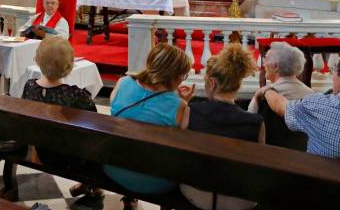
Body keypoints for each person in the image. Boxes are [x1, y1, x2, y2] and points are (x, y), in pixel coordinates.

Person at [257, 49, 340, 169]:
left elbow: (281, 106)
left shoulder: (318, 106)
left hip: (323, 194)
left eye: (334, 71)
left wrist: (268, 90)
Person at [104, 43, 194, 209]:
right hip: (156, 181)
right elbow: (180, 144)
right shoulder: (180, 106)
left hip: (115, 168)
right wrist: (182, 102)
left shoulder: (122, 83)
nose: (183, 79)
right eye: (183, 75)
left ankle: (129, 199)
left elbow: (119, 110)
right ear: (173, 76)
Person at [180, 43, 263, 210]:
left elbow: (182, 154)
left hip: (197, 194)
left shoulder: (191, 111)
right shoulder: (255, 122)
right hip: (239, 201)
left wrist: (183, 102)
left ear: (212, 83)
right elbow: (258, 168)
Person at [21, 37, 100, 201]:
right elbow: (95, 124)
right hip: (70, 158)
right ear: (70, 66)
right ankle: (89, 184)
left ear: (37, 61)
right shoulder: (78, 95)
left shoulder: (29, 87)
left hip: (40, 151)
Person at [248, 41, 312, 113]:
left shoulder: (263, 95)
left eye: (266, 60)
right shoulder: (310, 93)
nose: (264, 64)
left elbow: (251, 118)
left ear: (276, 66)